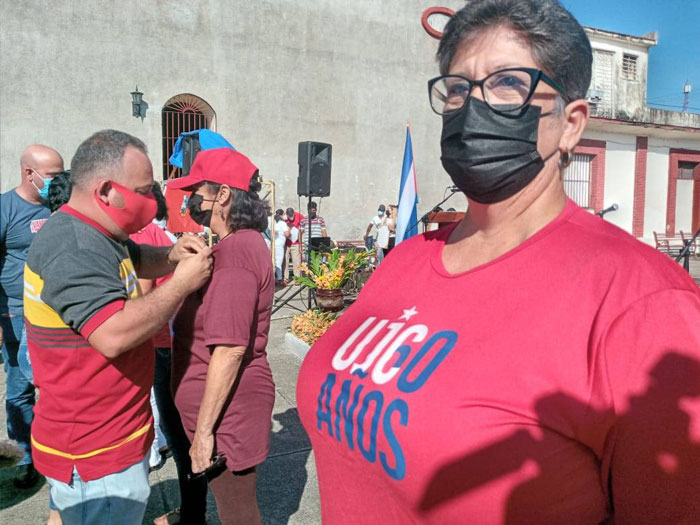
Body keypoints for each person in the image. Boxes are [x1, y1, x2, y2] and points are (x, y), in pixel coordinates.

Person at [296, 1, 700, 523]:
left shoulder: (641, 301)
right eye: (458, 89)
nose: (472, 106)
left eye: (508, 83)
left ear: (571, 124)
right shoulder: (408, 259)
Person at [24, 130, 213, 524]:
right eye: (144, 190)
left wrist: (172, 256)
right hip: (94, 449)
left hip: (112, 433)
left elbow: (137, 259)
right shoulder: (72, 244)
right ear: (107, 191)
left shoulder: (98, 232)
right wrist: (182, 283)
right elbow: (112, 334)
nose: (153, 200)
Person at [168, 147, 276, 525]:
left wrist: (203, 434)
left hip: (228, 409)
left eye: (198, 189)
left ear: (223, 195)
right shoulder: (238, 245)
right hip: (223, 406)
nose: (191, 198)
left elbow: (229, 350)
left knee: (237, 511)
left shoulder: (235, 254)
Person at [131, 183, 209, 525]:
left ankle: (192, 515)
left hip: (164, 348)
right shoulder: (158, 235)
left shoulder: (144, 235)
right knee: (179, 437)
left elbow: (139, 306)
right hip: (171, 344)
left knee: (179, 439)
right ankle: (193, 511)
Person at [0, 144, 64, 490]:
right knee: (21, 387)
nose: (57, 181)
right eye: (52, 175)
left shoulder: (60, 206)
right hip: (17, 313)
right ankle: (25, 459)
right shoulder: (5, 209)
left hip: (58, 313)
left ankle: (56, 451)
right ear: (30, 173)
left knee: (58, 386)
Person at [284, 207, 304, 282]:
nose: (291, 217)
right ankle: (286, 278)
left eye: (292, 215)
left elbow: (305, 225)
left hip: (296, 242)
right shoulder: (284, 218)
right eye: (289, 216)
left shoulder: (299, 216)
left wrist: (300, 233)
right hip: (286, 243)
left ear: (293, 213)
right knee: (285, 261)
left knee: (296, 261)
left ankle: (297, 278)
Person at [273, 208, 290, 284]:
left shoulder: (273, 222)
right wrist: (289, 229)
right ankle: (279, 279)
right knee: (279, 261)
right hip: (279, 245)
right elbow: (287, 234)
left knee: (272, 261)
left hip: (272, 244)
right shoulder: (282, 223)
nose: (285, 216)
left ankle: (274, 277)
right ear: (281, 215)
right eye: (284, 214)